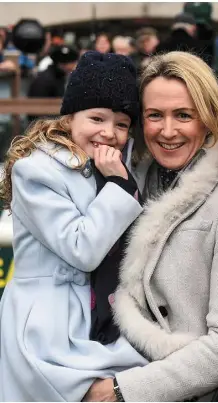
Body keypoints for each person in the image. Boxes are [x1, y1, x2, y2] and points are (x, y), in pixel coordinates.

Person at [82, 51, 218, 402]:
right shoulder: (122, 187)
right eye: (154, 116)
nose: (167, 131)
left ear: (208, 119)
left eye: (183, 115)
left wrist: (123, 392)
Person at [0, 51, 148, 401]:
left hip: (103, 321)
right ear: (69, 117)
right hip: (47, 327)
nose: (109, 133)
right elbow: (82, 249)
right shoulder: (36, 171)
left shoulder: (120, 170)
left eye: (122, 124)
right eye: (96, 118)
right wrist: (119, 187)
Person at [27, 45, 80, 121]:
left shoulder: (58, 76)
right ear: (63, 64)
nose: (74, 66)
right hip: (44, 125)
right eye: (72, 63)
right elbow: (38, 111)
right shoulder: (46, 79)